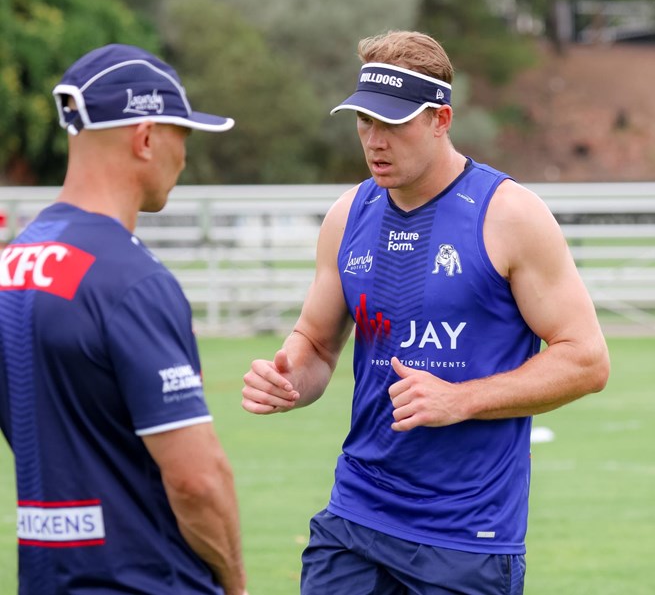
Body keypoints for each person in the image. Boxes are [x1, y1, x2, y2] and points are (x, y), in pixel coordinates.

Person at [242, 30, 610, 594]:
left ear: (441, 119)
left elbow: (586, 361)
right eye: (364, 121)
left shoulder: (509, 215)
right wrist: (287, 376)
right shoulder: (348, 213)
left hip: (465, 536)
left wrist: (461, 399)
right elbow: (315, 345)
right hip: (356, 517)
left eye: (392, 123)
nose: (373, 140)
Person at [0, 44, 247, 594]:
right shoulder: (131, 279)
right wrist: (235, 582)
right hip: (145, 580)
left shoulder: (13, 263)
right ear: (145, 138)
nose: (184, 157)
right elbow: (195, 479)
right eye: (182, 135)